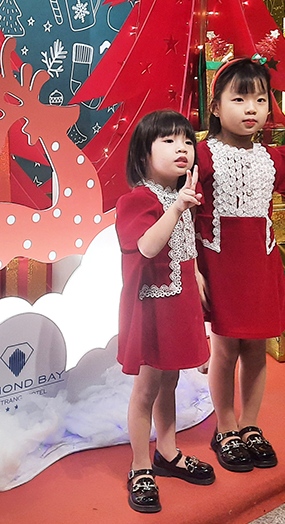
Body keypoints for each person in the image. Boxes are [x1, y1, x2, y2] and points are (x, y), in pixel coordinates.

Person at [195, 58, 285, 473]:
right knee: (225, 349)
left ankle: (251, 426)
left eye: (259, 100)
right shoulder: (200, 155)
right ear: (215, 107)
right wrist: (192, 270)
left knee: (256, 351)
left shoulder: (273, 157)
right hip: (219, 266)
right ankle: (226, 427)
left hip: (261, 266)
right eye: (239, 99)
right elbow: (179, 211)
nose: (251, 108)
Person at [116, 110, 214, 514]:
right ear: (143, 153)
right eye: (169, 141)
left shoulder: (182, 195)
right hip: (152, 307)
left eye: (187, 141)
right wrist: (176, 209)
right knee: (147, 388)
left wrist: (200, 286)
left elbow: (185, 253)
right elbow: (147, 247)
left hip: (179, 301)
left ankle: (168, 453)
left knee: (170, 381)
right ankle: (140, 466)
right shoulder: (136, 199)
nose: (182, 149)